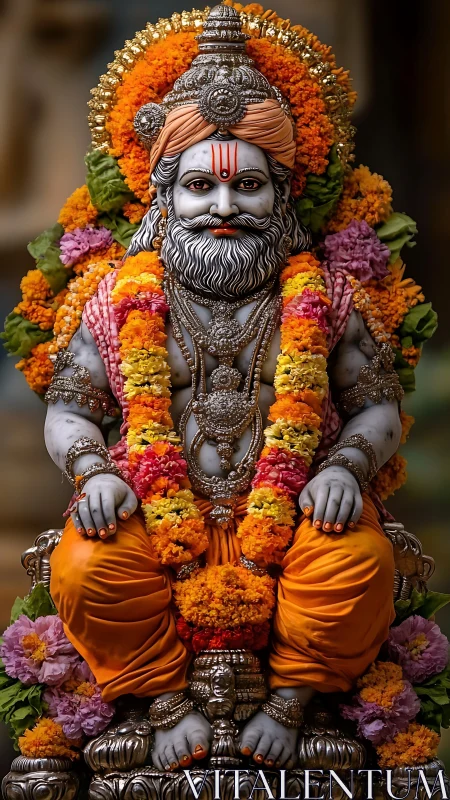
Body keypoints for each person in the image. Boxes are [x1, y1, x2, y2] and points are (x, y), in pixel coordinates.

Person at [45, 3, 401, 772]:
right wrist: (93, 470)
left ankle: (291, 704)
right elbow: (70, 408)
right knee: (84, 566)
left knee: (359, 563)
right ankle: (163, 704)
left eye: (249, 188)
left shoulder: (328, 297)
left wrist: (345, 465)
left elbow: (377, 406)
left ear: (281, 196)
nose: (225, 208)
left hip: (297, 514)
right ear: (164, 198)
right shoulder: (114, 298)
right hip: (151, 509)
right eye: (201, 186)